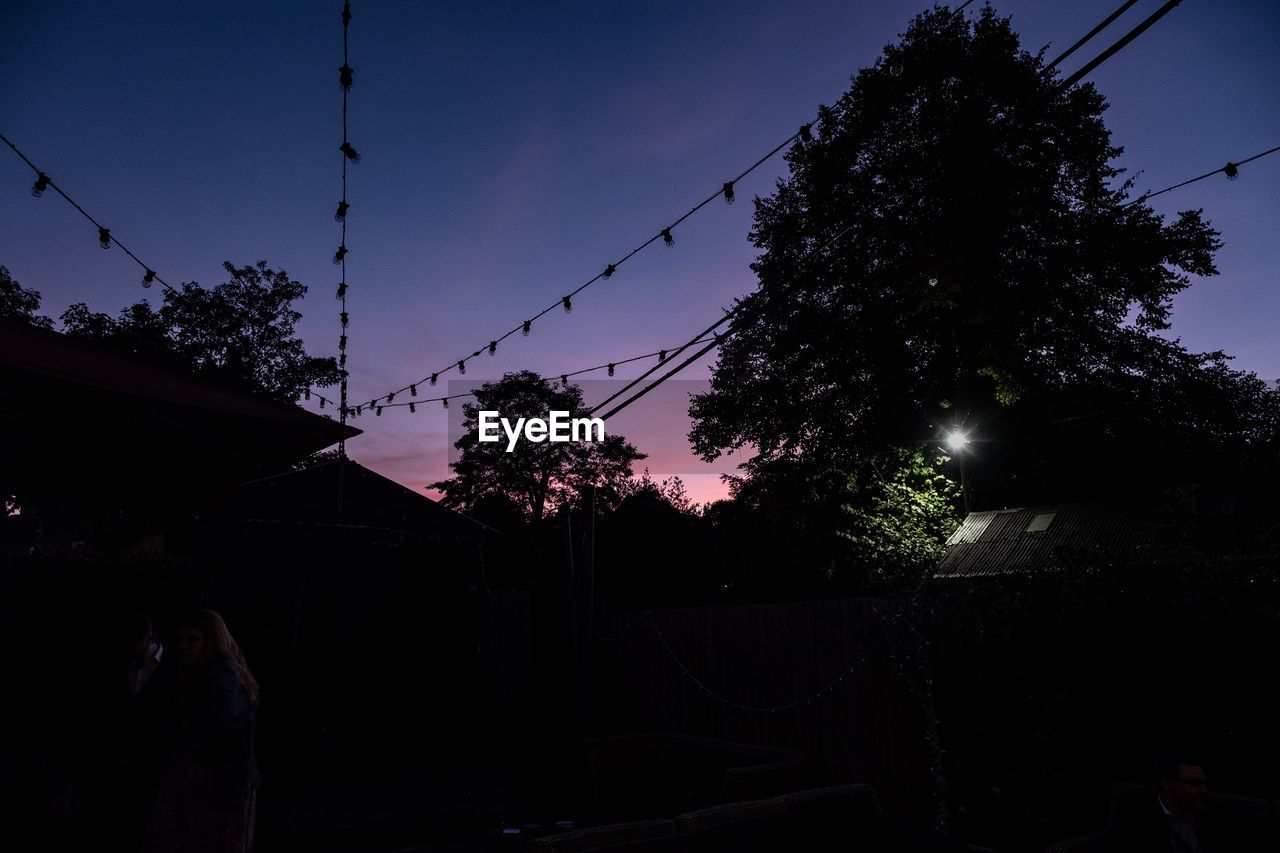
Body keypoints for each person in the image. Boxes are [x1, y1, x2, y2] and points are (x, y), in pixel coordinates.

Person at [143, 610, 259, 853]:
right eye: (181, 640)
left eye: (192, 639)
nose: (183, 646)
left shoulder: (222, 679)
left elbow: (220, 729)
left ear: (212, 640)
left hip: (213, 790)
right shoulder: (199, 674)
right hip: (199, 788)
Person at [1104, 755, 1236, 853]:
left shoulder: (1212, 814)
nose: (1204, 790)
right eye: (1194, 783)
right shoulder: (1136, 816)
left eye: (1203, 783)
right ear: (1167, 783)